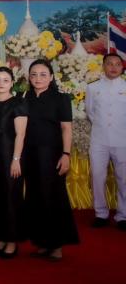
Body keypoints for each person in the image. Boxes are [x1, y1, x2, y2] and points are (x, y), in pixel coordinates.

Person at [23, 59, 79, 261]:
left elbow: (66, 128)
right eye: (34, 75)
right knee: (35, 196)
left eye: (43, 74)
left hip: (52, 154)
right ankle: (42, 242)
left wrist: (66, 154)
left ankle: (56, 245)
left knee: (53, 197)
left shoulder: (61, 98)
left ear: (51, 77)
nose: (38, 78)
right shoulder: (25, 97)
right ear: (28, 78)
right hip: (30, 154)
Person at [86, 53, 126, 230]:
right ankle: (101, 213)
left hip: (123, 139)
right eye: (110, 64)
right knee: (97, 176)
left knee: (124, 179)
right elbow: (90, 112)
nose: (114, 67)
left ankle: (123, 215)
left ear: (122, 67)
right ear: (103, 66)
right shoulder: (93, 88)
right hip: (99, 140)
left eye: (117, 64)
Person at [0, 66, 28, 258]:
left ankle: (12, 240)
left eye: (6, 80)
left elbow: (20, 134)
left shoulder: (17, 103)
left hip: (9, 155)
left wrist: (16, 159)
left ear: (12, 82)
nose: (1, 83)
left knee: (11, 196)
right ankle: (0, 237)